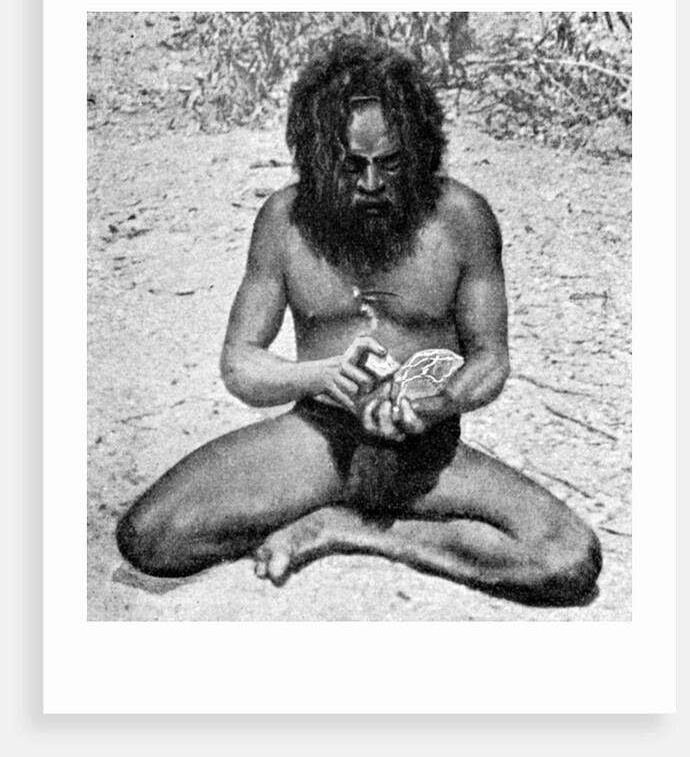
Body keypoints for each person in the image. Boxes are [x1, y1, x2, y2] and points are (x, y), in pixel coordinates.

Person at [116, 37, 602, 606]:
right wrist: (319, 377)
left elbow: (490, 358)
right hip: (318, 439)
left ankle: (345, 529)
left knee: (568, 558)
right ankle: (328, 508)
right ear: (319, 158)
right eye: (351, 167)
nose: (371, 185)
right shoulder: (284, 221)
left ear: (418, 152)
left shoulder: (463, 218)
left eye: (390, 165)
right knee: (150, 537)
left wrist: (440, 403)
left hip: (424, 455)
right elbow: (240, 362)